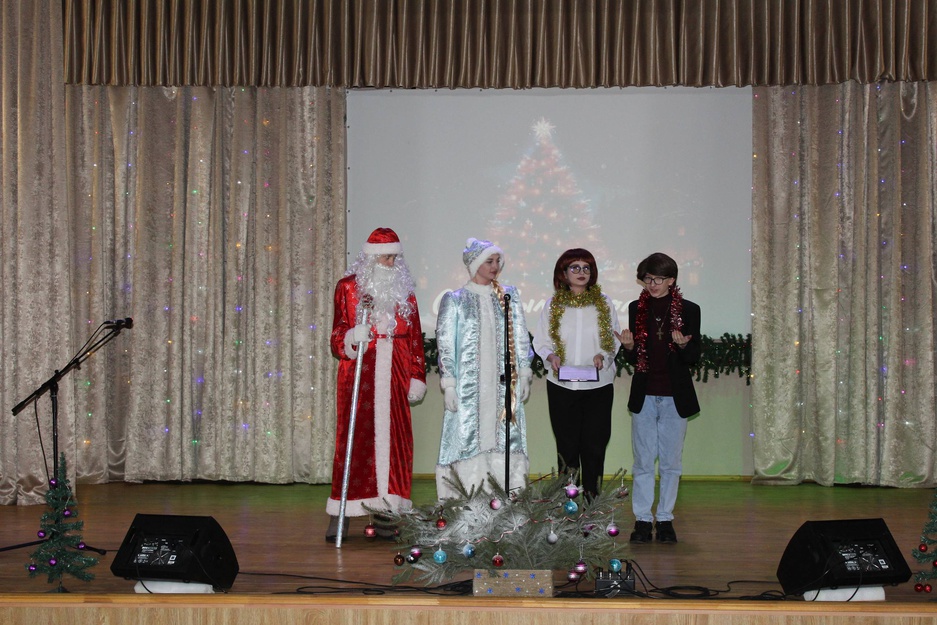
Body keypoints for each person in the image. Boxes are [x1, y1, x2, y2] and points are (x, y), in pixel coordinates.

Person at [326, 227, 427, 541]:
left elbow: (415, 339)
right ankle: (343, 510)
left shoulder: (405, 291)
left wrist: (416, 375)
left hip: (396, 371)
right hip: (360, 374)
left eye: (394, 257)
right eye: (385, 257)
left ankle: (388, 511)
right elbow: (336, 334)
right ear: (370, 258)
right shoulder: (348, 287)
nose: (390, 263)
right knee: (355, 442)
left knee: (396, 442)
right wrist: (351, 336)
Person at [435, 238, 533, 499]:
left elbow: (520, 335)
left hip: (503, 387)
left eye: (498, 261)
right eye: (489, 261)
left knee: (505, 437)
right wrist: (449, 383)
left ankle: (507, 495)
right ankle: (467, 498)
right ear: (475, 263)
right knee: (468, 438)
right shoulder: (455, 300)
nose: (495, 266)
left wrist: (524, 372)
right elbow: (446, 344)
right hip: (469, 390)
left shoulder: (508, 296)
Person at [615, 252, 701, 544]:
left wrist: (683, 346)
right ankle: (642, 520)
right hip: (645, 394)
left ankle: (664, 519)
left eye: (658, 279)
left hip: (675, 396)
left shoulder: (690, 309)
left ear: (671, 280)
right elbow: (633, 357)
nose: (652, 285)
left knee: (670, 463)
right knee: (642, 462)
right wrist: (628, 347)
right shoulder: (635, 308)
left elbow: (694, 356)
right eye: (648, 279)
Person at [533, 249, 621, 499]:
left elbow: (613, 339)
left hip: (598, 387)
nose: (581, 272)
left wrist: (603, 356)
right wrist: (551, 356)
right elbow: (542, 341)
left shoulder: (604, 303)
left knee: (594, 448)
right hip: (562, 387)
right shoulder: (553, 304)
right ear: (563, 273)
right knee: (567, 449)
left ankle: (592, 505)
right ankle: (568, 506)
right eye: (575, 267)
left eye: (586, 268)